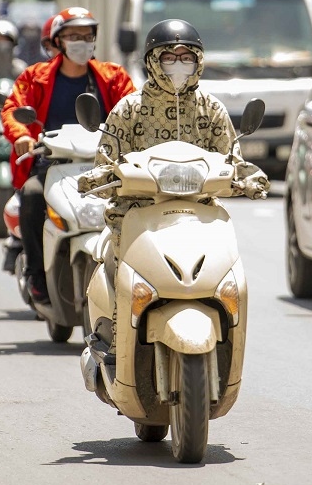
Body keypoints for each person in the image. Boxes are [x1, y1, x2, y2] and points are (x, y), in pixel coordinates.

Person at [78, 19, 269, 352]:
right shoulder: (129, 110)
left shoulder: (211, 109)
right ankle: (114, 345)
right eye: (170, 57)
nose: (179, 64)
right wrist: (102, 177)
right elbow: (105, 162)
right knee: (119, 270)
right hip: (136, 213)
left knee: (230, 275)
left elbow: (231, 158)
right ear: (153, 61)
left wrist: (249, 178)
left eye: (186, 56)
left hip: (200, 214)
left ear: (198, 61)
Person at [1, 7, 134, 306]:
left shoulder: (113, 77)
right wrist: (22, 135)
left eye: (87, 36)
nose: (82, 42)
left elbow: (133, 111)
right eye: (74, 36)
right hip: (51, 165)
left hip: (102, 166)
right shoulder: (35, 77)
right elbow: (12, 109)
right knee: (33, 197)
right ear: (57, 41)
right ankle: (37, 275)